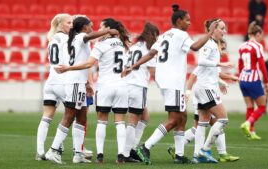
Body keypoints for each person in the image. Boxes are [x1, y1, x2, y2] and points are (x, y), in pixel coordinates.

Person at [121, 4, 220, 165]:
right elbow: (195, 47)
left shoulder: (164, 35)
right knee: (174, 119)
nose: (189, 23)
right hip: (173, 81)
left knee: (182, 117)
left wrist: (133, 66)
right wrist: (209, 33)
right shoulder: (181, 34)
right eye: (187, 20)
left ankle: (179, 155)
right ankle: (145, 147)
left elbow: (152, 53)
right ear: (179, 20)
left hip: (167, 81)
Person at [45, 16, 118, 164]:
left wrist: (86, 83)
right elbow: (90, 36)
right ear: (84, 27)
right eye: (90, 25)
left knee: (82, 116)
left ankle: (78, 154)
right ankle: (53, 150)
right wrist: (108, 30)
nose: (92, 27)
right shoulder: (81, 36)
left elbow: (78, 59)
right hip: (74, 83)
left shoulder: (70, 40)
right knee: (69, 115)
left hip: (78, 82)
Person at [167, 38, 239, 163]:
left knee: (201, 125)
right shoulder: (207, 61)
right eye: (222, 48)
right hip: (202, 95)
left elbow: (217, 75)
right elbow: (193, 75)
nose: (223, 51)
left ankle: (198, 153)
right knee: (217, 122)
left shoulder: (214, 63)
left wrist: (227, 79)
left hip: (204, 94)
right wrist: (188, 92)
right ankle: (219, 153)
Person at [191, 18, 234, 163]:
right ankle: (205, 149)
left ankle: (197, 156)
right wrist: (221, 63)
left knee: (202, 123)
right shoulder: (209, 44)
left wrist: (221, 82)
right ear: (214, 29)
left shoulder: (213, 44)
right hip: (206, 88)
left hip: (203, 87)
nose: (224, 31)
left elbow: (208, 70)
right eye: (222, 28)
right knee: (223, 118)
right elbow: (201, 61)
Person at [36, 13, 72, 161]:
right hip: (63, 82)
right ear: (61, 24)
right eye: (69, 23)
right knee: (72, 115)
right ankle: (61, 147)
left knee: (46, 117)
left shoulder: (51, 39)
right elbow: (70, 61)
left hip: (50, 82)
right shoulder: (67, 40)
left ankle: (39, 151)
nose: (71, 25)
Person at [123, 22, 159, 162]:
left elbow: (126, 66)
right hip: (138, 86)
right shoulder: (148, 50)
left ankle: (132, 148)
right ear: (153, 35)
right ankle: (127, 153)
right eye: (156, 36)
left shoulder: (134, 47)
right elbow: (153, 72)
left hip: (128, 84)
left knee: (145, 117)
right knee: (133, 120)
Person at [239, 21, 268, 140]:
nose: (262, 38)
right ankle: (247, 124)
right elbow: (262, 66)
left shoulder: (242, 46)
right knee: (262, 106)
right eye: (261, 35)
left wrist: (239, 78)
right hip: (253, 79)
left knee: (249, 106)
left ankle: (250, 133)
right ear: (258, 34)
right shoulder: (257, 46)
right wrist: (266, 81)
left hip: (243, 79)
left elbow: (240, 64)